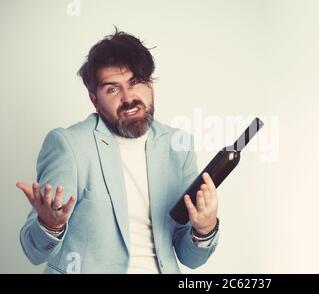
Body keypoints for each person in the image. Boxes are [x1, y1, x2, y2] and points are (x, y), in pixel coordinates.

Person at [16, 29, 219, 274]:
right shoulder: (69, 145)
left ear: (150, 84)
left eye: (135, 83)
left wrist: (204, 229)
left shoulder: (177, 146)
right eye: (112, 89)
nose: (128, 98)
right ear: (94, 99)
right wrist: (50, 225)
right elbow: (32, 251)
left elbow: (191, 258)